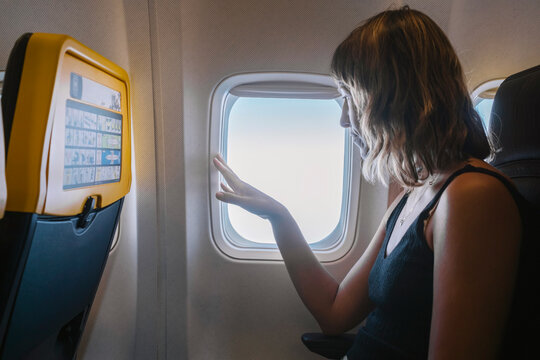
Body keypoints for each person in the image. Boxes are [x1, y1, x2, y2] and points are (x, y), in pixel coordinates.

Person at [213, 6, 522, 359]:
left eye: (350, 98)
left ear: (394, 96)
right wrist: (278, 215)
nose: (345, 119)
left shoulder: (473, 197)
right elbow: (334, 311)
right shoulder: (414, 193)